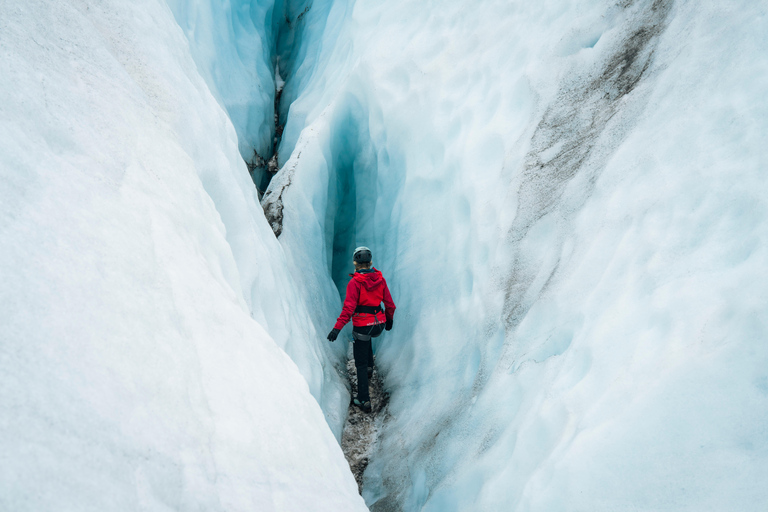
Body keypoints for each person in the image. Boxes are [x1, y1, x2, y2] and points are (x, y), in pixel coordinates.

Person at [327, 246, 396, 413]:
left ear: (355, 263)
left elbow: (348, 310)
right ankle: (371, 368)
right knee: (368, 335)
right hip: (378, 325)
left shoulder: (355, 283)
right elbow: (390, 304)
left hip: (363, 328)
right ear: (370, 262)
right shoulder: (381, 280)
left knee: (360, 363)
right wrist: (389, 320)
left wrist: (336, 329)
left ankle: (363, 399)